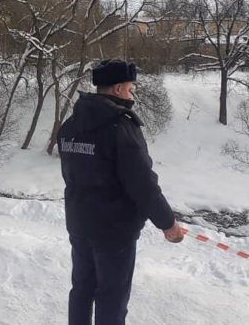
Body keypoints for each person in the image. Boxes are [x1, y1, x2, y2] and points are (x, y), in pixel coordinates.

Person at [58, 59, 184, 325]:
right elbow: (142, 184)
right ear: (117, 89)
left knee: (81, 289)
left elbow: (72, 175)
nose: (132, 93)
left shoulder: (70, 125)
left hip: (80, 223)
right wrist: (167, 223)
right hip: (114, 232)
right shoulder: (121, 127)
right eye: (130, 88)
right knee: (112, 298)